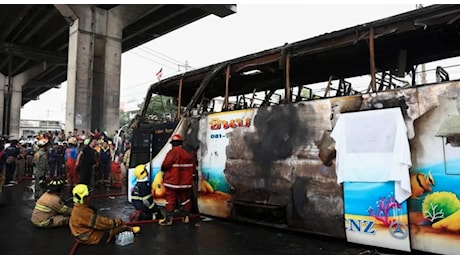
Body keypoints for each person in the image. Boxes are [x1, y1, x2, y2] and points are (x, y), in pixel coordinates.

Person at [69, 184, 140, 245]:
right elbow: (102, 223)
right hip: (91, 237)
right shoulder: (84, 213)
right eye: (88, 196)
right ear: (83, 198)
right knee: (118, 228)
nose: (90, 198)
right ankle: (129, 228)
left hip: (83, 235)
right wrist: (118, 222)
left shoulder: (77, 208)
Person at [159, 134, 196, 226]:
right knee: (185, 199)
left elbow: (165, 165)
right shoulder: (190, 153)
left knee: (170, 200)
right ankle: (186, 216)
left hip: (172, 182)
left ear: (173, 143)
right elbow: (194, 167)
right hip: (186, 183)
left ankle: (169, 219)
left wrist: (163, 170)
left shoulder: (172, 152)